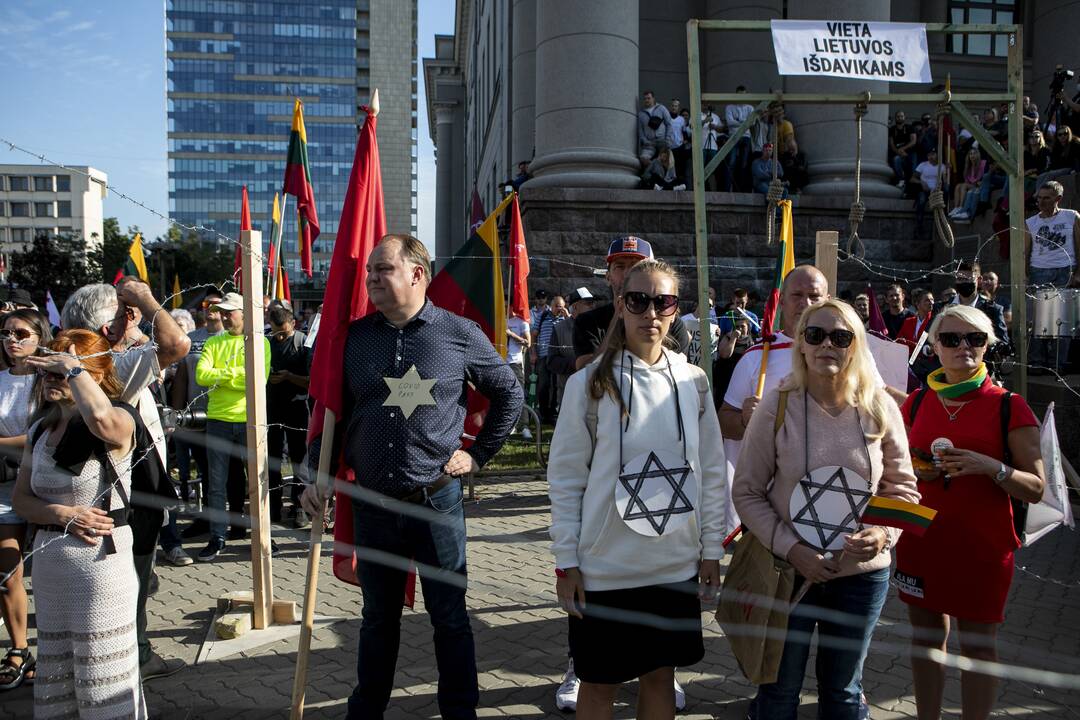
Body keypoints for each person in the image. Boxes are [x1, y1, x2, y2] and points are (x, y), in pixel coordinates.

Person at [299, 234, 522, 720]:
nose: (372, 279)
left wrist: (478, 456)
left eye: (384, 270)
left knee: (450, 618)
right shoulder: (354, 339)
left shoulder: (458, 332)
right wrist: (315, 472)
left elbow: (509, 392)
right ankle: (366, 711)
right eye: (370, 272)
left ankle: (459, 712)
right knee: (377, 618)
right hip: (373, 505)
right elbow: (334, 411)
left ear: (417, 274)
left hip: (437, 501)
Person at [549, 259, 726, 720]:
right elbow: (566, 478)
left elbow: (708, 471)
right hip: (605, 567)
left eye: (663, 301)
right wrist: (566, 560)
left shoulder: (694, 381)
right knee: (599, 683)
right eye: (638, 300)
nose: (651, 312)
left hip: (673, 564)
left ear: (675, 310)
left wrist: (711, 550)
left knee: (659, 676)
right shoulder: (587, 384)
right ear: (620, 306)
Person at [733, 299, 919, 719]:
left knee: (844, 694)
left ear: (856, 346)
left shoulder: (880, 406)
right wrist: (793, 549)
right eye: (815, 335)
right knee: (778, 694)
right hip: (788, 575)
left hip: (861, 580)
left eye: (841, 336)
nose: (827, 346)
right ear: (800, 344)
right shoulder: (776, 406)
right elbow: (746, 492)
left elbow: (904, 490)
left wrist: (883, 535)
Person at [895, 305, 1046, 720]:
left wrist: (990, 467)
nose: (963, 347)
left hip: (981, 547)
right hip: (922, 541)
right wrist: (917, 468)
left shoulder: (1008, 406)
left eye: (975, 339)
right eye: (952, 338)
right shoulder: (917, 401)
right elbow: (899, 466)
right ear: (935, 347)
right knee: (926, 639)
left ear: (987, 346)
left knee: (978, 646)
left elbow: (1036, 489)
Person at [13, 329, 148, 718]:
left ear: (93, 375)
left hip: (100, 572)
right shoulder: (40, 429)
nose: (51, 378)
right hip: (52, 570)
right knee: (61, 673)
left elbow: (102, 419)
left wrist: (72, 369)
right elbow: (23, 499)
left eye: (61, 371)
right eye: (48, 370)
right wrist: (62, 515)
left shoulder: (120, 418)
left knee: (102, 679)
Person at [60, 279, 191, 680]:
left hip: (97, 495)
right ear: (109, 328)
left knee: (118, 585)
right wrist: (146, 300)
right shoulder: (111, 365)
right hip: (126, 499)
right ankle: (136, 657)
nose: (133, 322)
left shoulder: (71, 364)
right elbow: (176, 344)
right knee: (130, 584)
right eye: (124, 314)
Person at [194, 292, 271, 561]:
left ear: (244, 313)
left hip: (251, 421)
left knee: (258, 482)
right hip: (218, 420)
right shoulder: (213, 342)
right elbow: (202, 376)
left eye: (230, 312)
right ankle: (217, 537)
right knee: (215, 483)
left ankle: (262, 536)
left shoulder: (260, 343)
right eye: (222, 312)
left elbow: (257, 381)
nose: (225, 316)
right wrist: (236, 374)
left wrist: (222, 377)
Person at [0, 309, 50, 691]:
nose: (13, 340)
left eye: (22, 333)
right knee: (6, 573)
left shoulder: (48, 380)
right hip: (4, 486)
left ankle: (55, 647)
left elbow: (43, 431)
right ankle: (19, 650)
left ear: (39, 337)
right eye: (6, 333)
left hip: (48, 484)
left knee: (51, 572)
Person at [573, 236, 689, 370]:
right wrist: (619, 313)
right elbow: (585, 373)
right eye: (620, 266)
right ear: (608, 276)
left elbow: (677, 372)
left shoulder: (669, 322)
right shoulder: (588, 322)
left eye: (636, 267)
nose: (628, 273)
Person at [1025, 180, 1080, 370]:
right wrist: (1026, 274)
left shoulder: (1071, 217)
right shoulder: (1031, 222)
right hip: (1039, 270)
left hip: (1066, 269)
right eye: (1039, 198)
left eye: (1047, 198)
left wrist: (1078, 272)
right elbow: (1026, 250)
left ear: (1058, 199)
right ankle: (1036, 362)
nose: (1041, 202)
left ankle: (1058, 362)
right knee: (1037, 319)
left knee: (1062, 320)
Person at [267, 305, 310, 525]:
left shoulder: (304, 344)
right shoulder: (266, 343)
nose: (280, 336)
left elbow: (312, 381)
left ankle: (300, 506)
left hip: (298, 409)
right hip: (272, 409)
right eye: (276, 332)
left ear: (293, 323)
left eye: (284, 331)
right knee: (272, 460)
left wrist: (289, 377)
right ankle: (273, 507)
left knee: (299, 460)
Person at [547, 287, 595, 409]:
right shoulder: (559, 329)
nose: (592, 306)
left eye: (593, 303)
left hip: (595, 394)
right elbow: (552, 362)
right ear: (576, 306)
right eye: (588, 303)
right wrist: (575, 363)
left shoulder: (598, 327)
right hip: (569, 395)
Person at [532, 294, 568, 424]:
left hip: (558, 357)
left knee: (556, 386)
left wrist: (567, 316)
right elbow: (534, 335)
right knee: (543, 384)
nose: (560, 309)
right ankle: (543, 412)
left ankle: (553, 413)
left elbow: (573, 330)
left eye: (562, 306)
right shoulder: (543, 316)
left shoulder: (565, 319)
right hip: (543, 356)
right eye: (558, 306)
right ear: (551, 306)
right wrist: (533, 353)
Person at [506, 310, 533, 440]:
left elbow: (528, 343)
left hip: (514, 362)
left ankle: (525, 426)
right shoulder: (498, 319)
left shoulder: (521, 322)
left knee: (519, 393)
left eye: (508, 306)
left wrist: (511, 334)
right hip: (499, 360)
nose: (505, 308)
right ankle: (511, 425)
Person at [725, 86, 754, 190]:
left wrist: (737, 122)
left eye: (743, 95)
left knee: (744, 164)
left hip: (746, 137)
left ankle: (741, 189)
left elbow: (752, 122)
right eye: (739, 94)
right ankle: (728, 188)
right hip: (733, 136)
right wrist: (744, 122)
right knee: (732, 162)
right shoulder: (730, 107)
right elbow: (729, 123)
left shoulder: (750, 108)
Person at [1035, 124, 1080, 191]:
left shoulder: (1075, 143)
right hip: (1061, 168)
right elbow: (1055, 162)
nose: (1063, 136)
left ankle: (1038, 194)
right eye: (1060, 134)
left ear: (1069, 134)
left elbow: (1077, 159)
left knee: (1050, 174)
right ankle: (1038, 194)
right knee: (1041, 176)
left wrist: (1075, 170)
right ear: (1057, 136)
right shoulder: (1057, 146)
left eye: (1065, 133)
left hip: (1071, 168)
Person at [947, 147, 987, 221]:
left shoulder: (983, 163)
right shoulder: (968, 167)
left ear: (978, 155)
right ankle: (956, 207)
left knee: (964, 185)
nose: (972, 155)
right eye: (970, 154)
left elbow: (984, 177)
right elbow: (967, 181)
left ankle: (961, 207)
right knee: (958, 186)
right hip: (970, 186)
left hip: (979, 186)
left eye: (974, 153)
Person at [913, 148, 946, 238]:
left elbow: (945, 181)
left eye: (933, 154)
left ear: (937, 155)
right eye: (929, 155)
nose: (930, 157)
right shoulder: (922, 165)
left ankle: (941, 229)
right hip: (924, 190)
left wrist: (947, 171)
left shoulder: (942, 166)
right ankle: (918, 227)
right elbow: (912, 178)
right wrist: (921, 182)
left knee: (940, 203)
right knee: (921, 200)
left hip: (936, 191)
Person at [638, 90, 672, 168]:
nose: (646, 100)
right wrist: (644, 140)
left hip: (662, 141)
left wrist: (667, 139)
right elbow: (640, 130)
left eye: (649, 98)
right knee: (643, 158)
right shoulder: (641, 114)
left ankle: (660, 174)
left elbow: (669, 124)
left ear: (653, 98)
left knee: (665, 161)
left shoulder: (661, 108)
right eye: (645, 99)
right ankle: (656, 168)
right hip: (649, 143)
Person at [890, 110, 917, 188]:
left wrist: (903, 149)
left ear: (904, 117)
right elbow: (891, 144)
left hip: (910, 153)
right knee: (896, 159)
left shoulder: (910, 127)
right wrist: (898, 151)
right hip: (898, 153)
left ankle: (912, 187)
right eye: (898, 116)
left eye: (901, 116)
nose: (900, 118)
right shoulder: (892, 129)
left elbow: (913, 141)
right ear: (895, 118)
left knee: (913, 169)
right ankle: (901, 180)